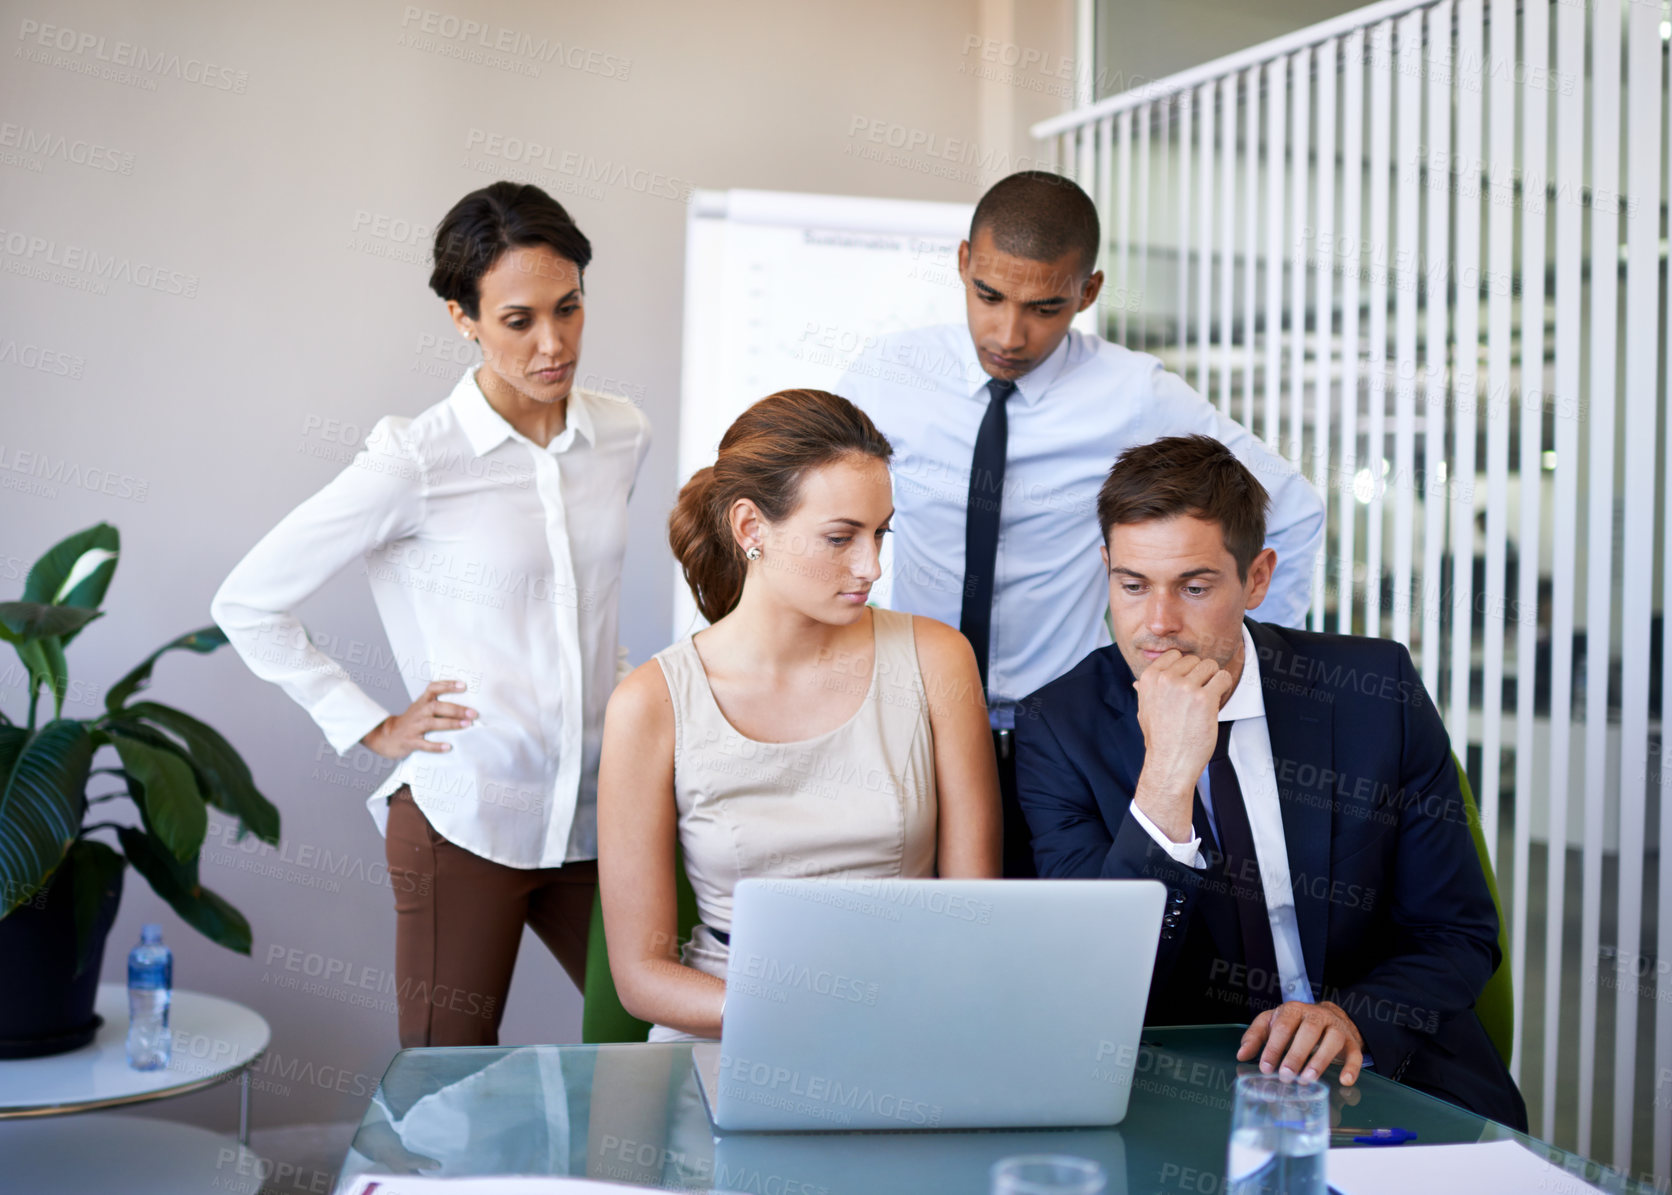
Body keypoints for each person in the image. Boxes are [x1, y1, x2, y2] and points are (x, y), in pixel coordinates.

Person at [212, 182, 651, 1047]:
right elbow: (248, 600)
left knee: (651, 1048)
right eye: (519, 320)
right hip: (466, 820)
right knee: (442, 1088)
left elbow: (578, 612)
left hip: (601, 815)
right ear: (464, 319)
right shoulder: (415, 460)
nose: (553, 342)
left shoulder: (620, 434)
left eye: (569, 308)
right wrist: (372, 723)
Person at [1012, 434, 1527, 1129]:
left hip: (1380, 1072)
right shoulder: (1058, 727)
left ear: (1256, 578)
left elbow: (1457, 931)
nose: (1157, 624)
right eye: (1132, 585)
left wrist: (1352, 1020)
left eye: (1194, 587)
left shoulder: (1375, 692)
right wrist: (1166, 779)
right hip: (1178, 1097)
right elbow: (1090, 985)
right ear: (1105, 568)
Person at [839, 170, 1325, 879]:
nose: (1009, 333)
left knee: (1058, 954)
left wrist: (1227, 679)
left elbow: (1294, 507)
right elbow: (815, 511)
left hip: (1058, 738)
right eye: (989, 296)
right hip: (912, 724)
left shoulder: (1133, 392)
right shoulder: (889, 375)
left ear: (1088, 292)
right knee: (923, 946)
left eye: (1044, 306)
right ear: (963, 261)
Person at [597, 389, 1002, 1041]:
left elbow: (973, 917)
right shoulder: (651, 703)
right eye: (841, 537)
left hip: (910, 1016)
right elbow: (642, 974)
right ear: (751, 528)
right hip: (726, 1023)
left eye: (880, 534)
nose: (871, 566)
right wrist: (793, 1016)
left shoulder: (937, 660)